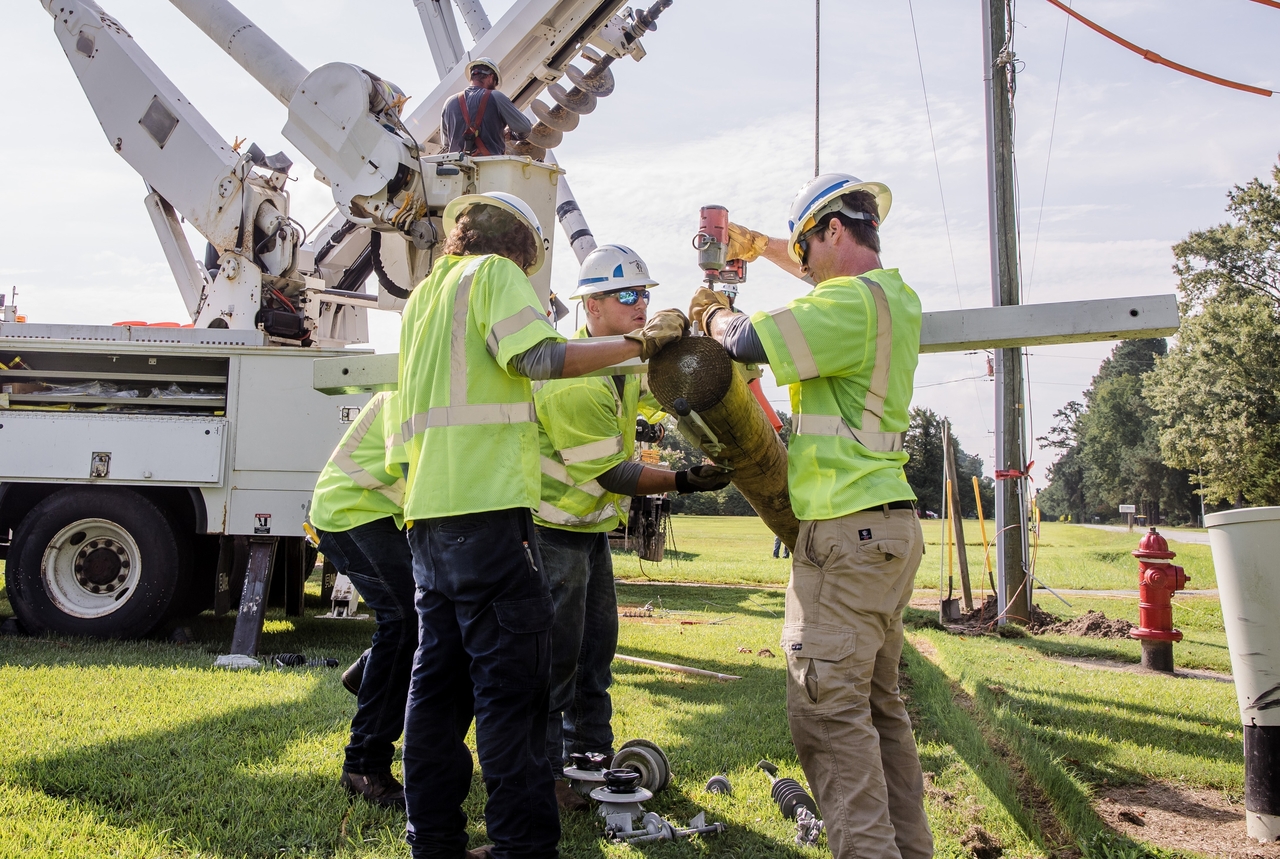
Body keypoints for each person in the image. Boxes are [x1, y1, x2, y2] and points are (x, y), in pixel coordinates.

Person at [396, 191, 687, 859]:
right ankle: (522, 847)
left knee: (436, 692)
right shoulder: (491, 275)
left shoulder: (422, 301)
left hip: (426, 519)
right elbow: (539, 358)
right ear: (519, 248)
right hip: (489, 518)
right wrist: (640, 343)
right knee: (516, 693)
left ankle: (434, 842)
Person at [689, 172, 933, 859]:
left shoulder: (848, 304)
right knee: (878, 717)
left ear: (833, 231)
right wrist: (763, 244)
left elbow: (744, 341)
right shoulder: (891, 300)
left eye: (806, 249)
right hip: (884, 533)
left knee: (828, 718)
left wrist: (711, 311)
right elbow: (818, 286)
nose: (804, 267)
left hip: (845, 539)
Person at [534, 245, 733, 812]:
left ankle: (591, 762)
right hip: (553, 531)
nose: (640, 304)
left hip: (586, 531)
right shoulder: (575, 380)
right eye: (627, 296)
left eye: (644, 294)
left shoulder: (617, 369)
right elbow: (613, 473)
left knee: (596, 651)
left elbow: (666, 390)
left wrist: (711, 340)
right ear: (591, 306)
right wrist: (688, 479)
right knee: (557, 660)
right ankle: (547, 775)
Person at [308, 391, 414, 810]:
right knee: (405, 620)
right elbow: (421, 471)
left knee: (420, 619)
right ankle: (363, 765)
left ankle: (367, 672)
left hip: (376, 515)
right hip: (350, 511)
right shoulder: (411, 390)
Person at [440, 57, 532, 156]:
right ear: (491, 77)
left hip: (457, 168)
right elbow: (525, 128)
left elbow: (446, 142)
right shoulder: (496, 97)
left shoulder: (449, 103)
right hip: (489, 167)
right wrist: (511, 135)